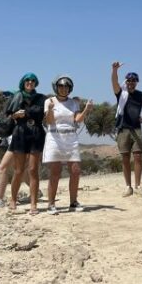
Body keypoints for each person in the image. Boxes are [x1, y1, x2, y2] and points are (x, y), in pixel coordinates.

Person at [42, 76, 92, 215]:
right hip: (55, 136)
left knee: (75, 170)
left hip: (71, 137)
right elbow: (50, 121)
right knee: (55, 171)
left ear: (70, 88)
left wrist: (86, 110)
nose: (63, 88)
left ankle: (73, 202)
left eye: (66, 86)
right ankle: (51, 204)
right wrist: (51, 109)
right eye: (61, 86)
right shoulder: (49, 101)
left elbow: (77, 120)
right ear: (56, 87)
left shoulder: (74, 103)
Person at [111, 62, 142, 196]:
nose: (131, 82)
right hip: (123, 129)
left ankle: (138, 186)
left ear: (137, 82)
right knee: (125, 159)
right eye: (129, 80)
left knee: (138, 157)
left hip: (137, 129)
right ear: (126, 81)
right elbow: (114, 82)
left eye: (134, 80)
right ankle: (128, 187)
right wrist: (114, 70)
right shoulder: (121, 94)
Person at [7, 73, 47, 215]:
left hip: (36, 133)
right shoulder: (16, 96)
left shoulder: (41, 98)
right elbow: (9, 114)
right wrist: (15, 115)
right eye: (27, 80)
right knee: (18, 171)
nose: (30, 82)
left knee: (33, 170)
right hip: (20, 134)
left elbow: (44, 114)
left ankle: (34, 204)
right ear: (23, 82)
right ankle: (12, 199)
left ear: (36, 83)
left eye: (33, 80)